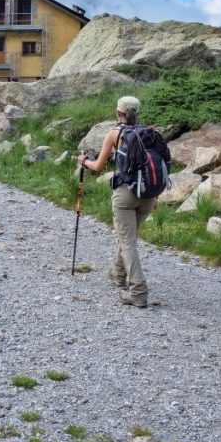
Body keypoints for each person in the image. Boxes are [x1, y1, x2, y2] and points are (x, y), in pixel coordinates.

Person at [76, 96, 159, 308]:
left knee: (127, 241)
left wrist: (84, 162)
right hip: (148, 194)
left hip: (125, 194)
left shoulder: (115, 134)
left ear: (118, 113)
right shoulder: (150, 132)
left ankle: (138, 292)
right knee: (128, 237)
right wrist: (156, 196)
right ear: (138, 112)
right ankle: (118, 274)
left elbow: (97, 166)